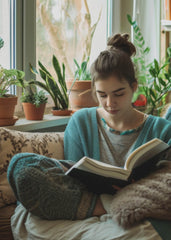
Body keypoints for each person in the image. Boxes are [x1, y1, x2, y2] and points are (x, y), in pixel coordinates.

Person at [7, 34, 171, 222]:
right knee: (21, 166)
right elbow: (73, 177)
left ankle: (106, 206)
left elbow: (164, 183)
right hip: (88, 195)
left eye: (119, 94)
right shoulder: (81, 121)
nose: (110, 103)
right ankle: (104, 205)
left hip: (139, 197)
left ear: (133, 87)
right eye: (102, 95)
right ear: (94, 90)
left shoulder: (162, 129)